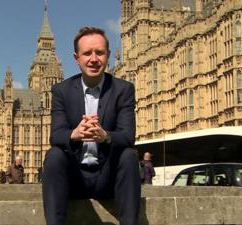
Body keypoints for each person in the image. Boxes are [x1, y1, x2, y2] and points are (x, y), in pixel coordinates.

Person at [42, 26, 140, 225]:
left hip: (108, 176)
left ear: (108, 56)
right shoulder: (62, 90)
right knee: (53, 154)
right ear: (76, 58)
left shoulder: (124, 89)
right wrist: (75, 134)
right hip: (74, 177)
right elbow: (56, 135)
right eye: (87, 53)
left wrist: (105, 136)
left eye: (99, 52)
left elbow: (128, 136)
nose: (93, 59)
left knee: (129, 155)